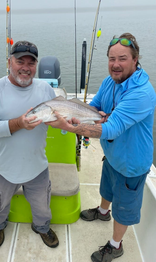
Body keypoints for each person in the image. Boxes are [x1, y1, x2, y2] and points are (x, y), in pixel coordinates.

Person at [46, 33, 156, 262]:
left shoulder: (142, 93)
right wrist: (79, 113)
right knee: (107, 188)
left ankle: (116, 245)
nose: (115, 65)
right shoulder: (110, 82)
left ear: (135, 60)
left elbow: (111, 129)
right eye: (111, 59)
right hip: (113, 154)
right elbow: (95, 108)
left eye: (122, 58)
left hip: (132, 162)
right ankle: (103, 212)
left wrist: (67, 125)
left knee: (124, 208)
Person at [0, 40, 59, 249]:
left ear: (37, 66)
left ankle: (42, 227)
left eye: (31, 63)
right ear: (9, 62)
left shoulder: (45, 89)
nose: (26, 67)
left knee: (42, 207)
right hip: (4, 168)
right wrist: (18, 124)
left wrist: (74, 123)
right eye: (20, 61)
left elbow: (56, 119)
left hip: (37, 167)